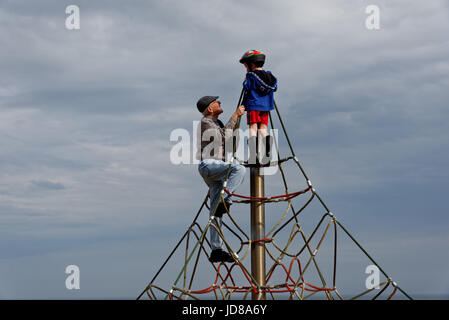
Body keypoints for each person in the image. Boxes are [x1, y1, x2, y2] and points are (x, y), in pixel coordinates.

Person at [196, 95, 246, 263]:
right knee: (239, 169)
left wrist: (237, 122)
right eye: (216, 102)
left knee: (216, 214)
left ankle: (216, 250)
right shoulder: (206, 122)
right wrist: (235, 116)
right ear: (210, 109)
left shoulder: (217, 123)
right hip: (209, 165)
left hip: (218, 170)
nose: (220, 103)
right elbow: (222, 138)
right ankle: (225, 200)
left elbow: (230, 142)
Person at [239, 50, 278, 164]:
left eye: (246, 66)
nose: (246, 69)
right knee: (264, 130)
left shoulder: (251, 75)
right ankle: (267, 156)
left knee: (253, 129)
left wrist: (245, 81)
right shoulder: (270, 76)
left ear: (252, 64)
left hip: (253, 105)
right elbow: (275, 87)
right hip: (266, 107)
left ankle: (253, 157)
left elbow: (247, 87)